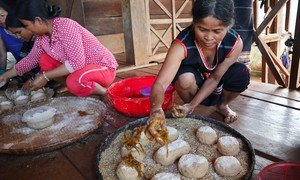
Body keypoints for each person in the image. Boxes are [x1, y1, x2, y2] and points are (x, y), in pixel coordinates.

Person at [145, 0, 250, 144]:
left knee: (241, 72)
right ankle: (192, 108)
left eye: (217, 31)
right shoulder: (182, 44)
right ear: (194, 23)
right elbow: (160, 84)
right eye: (202, 29)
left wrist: (192, 104)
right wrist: (156, 108)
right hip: (194, 85)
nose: (209, 37)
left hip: (216, 84)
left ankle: (222, 105)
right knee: (184, 78)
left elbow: (215, 78)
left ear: (228, 26)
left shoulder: (234, 42)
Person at [0, 0, 118, 97]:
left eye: (26, 26)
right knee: (44, 60)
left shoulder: (65, 26)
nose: (27, 30)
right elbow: (30, 60)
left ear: (38, 21)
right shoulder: (42, 37)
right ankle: (72, 85)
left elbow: (76, 63)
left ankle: (105, 92)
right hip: (82, 70)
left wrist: (44, 77)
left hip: (103, 68)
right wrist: (5, 76)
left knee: (74, 81)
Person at [0, 2, 23, 74]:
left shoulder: (23, 26)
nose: (0, 19)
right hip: (21, 67)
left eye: (2, 15)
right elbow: (2, 56)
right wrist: (2, 72)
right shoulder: (1, 32)